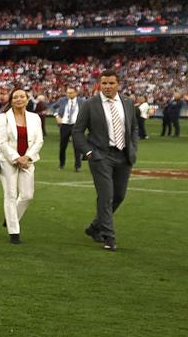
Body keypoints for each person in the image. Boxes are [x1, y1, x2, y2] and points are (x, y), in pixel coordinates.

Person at [74, 71, 137, 251]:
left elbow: (133, 129)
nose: (108, 86)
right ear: (99, 85)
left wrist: (133, 149)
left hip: (124, 156)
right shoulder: (90, 104)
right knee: (106, 196)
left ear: (118, 84)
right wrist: (88, 152)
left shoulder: (128, 103)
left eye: (111, 83)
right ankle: (108, 236)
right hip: (101, 156)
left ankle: (94, 228)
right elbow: (77, 132)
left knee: (119, 196)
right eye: (104, 83)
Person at [0, 88, 43, 244]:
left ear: (27, 99)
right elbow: (1, 142)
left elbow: (39, 141)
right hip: (7, 160)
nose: (19, 99)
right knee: (10, 194)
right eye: (15, 97)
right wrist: (16, 158)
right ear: (11, 100)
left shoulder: (35, 118)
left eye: (22, 96)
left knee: (28, 195)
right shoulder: (3, 118)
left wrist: (27, 157)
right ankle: (14, 232)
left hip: (28, 160)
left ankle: (10, 217)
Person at [53, 86, 83, 171]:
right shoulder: (63, 100)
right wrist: (57, 115)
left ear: (76, 93)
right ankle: (61, 164)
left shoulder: (81, 101)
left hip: (76, 125)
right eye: (67, 93)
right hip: (65, 125)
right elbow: (53, 107)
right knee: (63, 146)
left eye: (71, 93)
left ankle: (78, 166)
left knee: (77, 146)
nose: (69, 95)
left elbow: (86, 111)